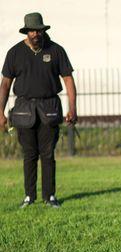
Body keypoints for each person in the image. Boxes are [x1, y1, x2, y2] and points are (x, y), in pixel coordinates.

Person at [0, 12, 77, 208]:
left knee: (48, 155)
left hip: (49, 109)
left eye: (39, 30)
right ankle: (29, 196)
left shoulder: (56, 50)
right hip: (24, 111)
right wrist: (0, 112)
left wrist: (72, 108)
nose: (36, 34)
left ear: (43, 30)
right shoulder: (14, 53)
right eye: (32, 30)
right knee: (29, 155)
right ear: (26, 31)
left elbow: (68, 79)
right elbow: (5, 85)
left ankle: (50, 196)